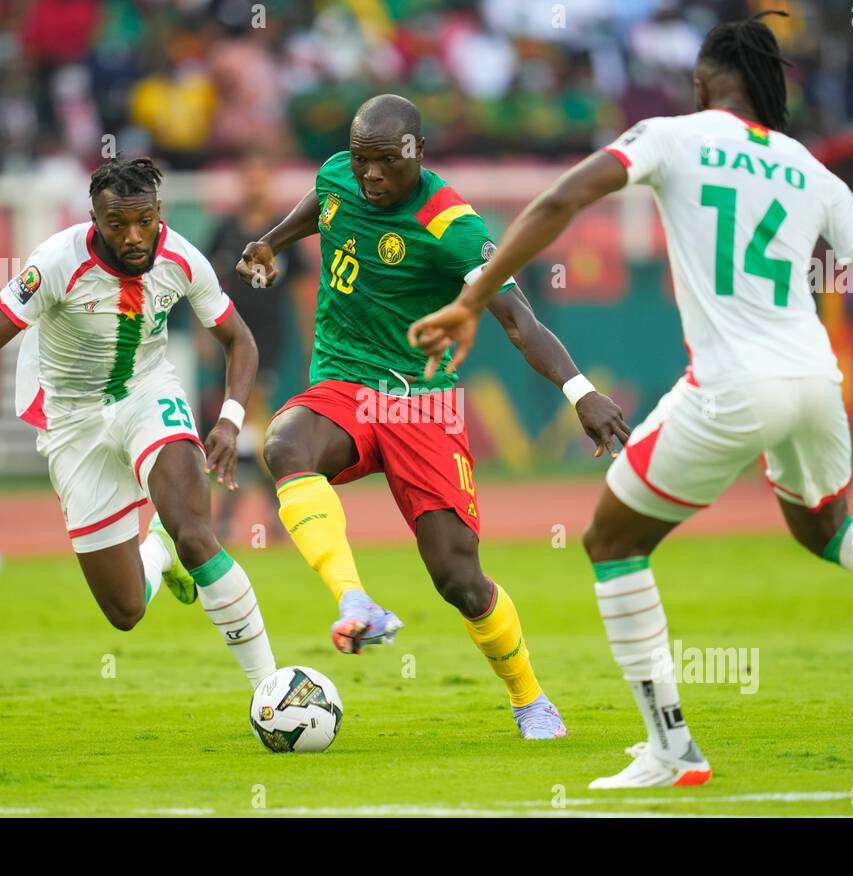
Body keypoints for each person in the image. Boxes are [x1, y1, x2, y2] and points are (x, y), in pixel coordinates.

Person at [408, 13, 853, 786]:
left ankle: (671, 746)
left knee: (611, 541)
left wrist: (473, 296)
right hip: (814, 382)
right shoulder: (813, 170)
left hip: (733, 385)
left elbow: (563, 200)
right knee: (829, 528)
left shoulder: (671, 135)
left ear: (701, 84)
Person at [237, 94, 631, 739]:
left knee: (459, 577)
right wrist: (272, 240)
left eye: (384, 162)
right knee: (285, 445)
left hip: (421, 402)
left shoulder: (454, 226)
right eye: (361, 160)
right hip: (343, 381)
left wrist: (579, 391)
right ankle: (354, 599)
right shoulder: (339, 174)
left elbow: (518, 319)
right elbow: (324, 202)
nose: (369, 175)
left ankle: (530, 697)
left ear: (416, 152)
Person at [0, 158, 277, 688]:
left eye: (144, 220)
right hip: (72, 419)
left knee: (196, 532)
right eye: (116, 224)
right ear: (94, 219)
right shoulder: (55, 261)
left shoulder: (183, 258)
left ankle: (270, 688)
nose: (134, 236)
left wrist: (231, 421)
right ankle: (158, 551)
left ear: (159, 212)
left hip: (148, 393)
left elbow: (240, 340)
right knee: (125, 611)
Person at [206, 152, 312, 541]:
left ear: (270, 183)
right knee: (245, 425)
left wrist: (309, 346)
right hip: (229, 336)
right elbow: (210, 284)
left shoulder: (283, 232)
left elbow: (302, 293)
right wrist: (206, 335)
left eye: (260, 177)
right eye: (248, 177)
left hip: (266, 339)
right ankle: (271, 509)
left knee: (248, 419)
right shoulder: (225, 229)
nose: (254, 185)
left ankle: (233, 512)